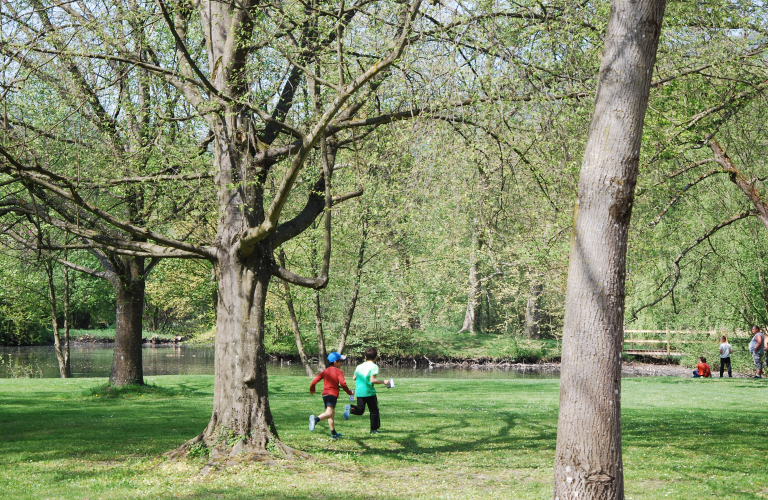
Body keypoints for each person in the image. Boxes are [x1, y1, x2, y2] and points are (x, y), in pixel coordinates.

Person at [309, 352, 353, 439]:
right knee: (329, 413)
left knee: (331, 413)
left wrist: (312, 388)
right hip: (332, 394)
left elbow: (315, 380)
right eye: (340, 361)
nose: (341, 363)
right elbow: (343, 384)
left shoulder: (325, 371)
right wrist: (349, 392)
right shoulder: (338, 371)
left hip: (325, 395)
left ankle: (334, 434)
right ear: (336, 362)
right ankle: (315, 420)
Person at [349, 347, 393, 434]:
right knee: (374, 411)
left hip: (359, 392)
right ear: (376, 357)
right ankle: (373, 429)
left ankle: (350, 408)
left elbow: (354, 378)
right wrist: (383, 381)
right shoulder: (374, 367)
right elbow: (372, 380)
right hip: (369, 392)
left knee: (360, 410)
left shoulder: (359, 366)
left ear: (365, 357)